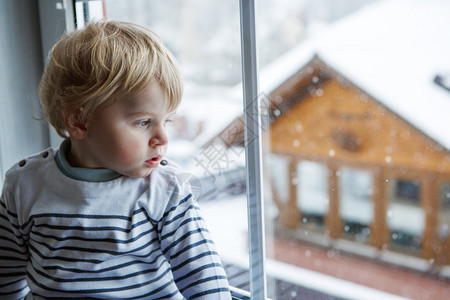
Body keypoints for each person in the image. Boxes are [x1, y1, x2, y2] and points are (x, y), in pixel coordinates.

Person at [0, 21, 231, 299]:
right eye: (144, 122)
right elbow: (7, 275)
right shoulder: (25, 186)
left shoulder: (166, 190)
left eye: (166, 121)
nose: (162, 138)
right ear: (80, 121)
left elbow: (205, 280)